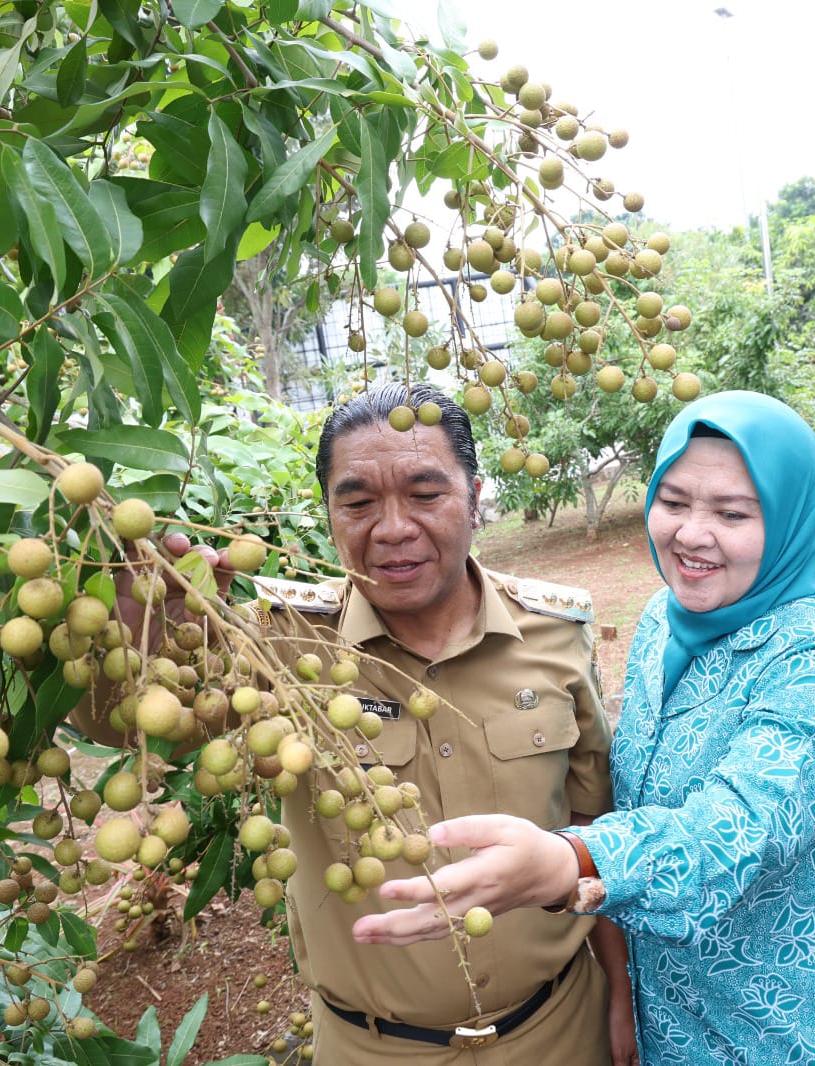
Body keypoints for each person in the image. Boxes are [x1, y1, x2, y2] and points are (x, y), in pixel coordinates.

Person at [352, 390, 815, 1065]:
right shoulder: (665, 619)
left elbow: (741, 827)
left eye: (733, 513)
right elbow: (632, 797)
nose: (691, 534)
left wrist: (570, 860)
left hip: (805, 1027)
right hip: (678, 1028)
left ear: (788, 519)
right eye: (675, 501)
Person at [72, 382, 635, 1064]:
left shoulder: (553, 633)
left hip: (559, 1033)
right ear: (331, 513)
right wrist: (140, 641)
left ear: (476, 496)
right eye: (359, 501)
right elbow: (132, 727)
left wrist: (621, 993)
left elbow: (596, 835)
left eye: (426, 494)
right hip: (371, 1048)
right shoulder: (277, 648)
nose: (393, 528)